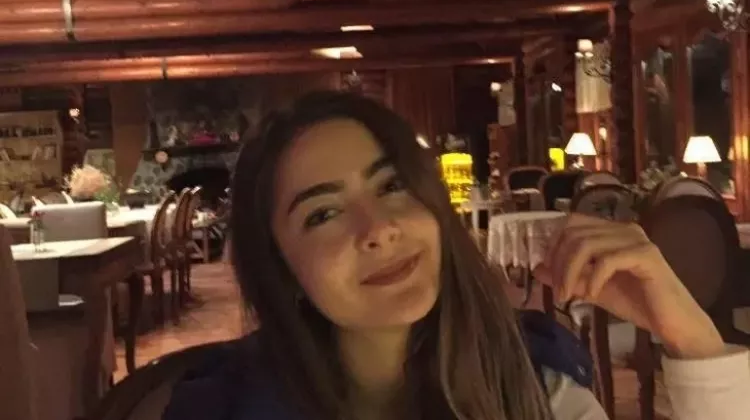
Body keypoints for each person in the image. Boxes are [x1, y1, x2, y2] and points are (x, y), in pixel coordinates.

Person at [163, 91, 750, 420]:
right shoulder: (223, 409)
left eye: (392, 185)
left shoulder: (535, 391)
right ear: (281, 267)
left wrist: (694, 338)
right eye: (323, 214)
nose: (380, 229)